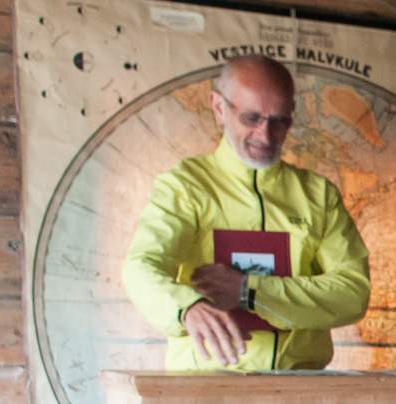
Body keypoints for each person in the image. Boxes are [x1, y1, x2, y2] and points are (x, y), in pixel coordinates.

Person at [121, 56, 370, 371]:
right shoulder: (185, 186)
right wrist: (187, 308)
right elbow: (141, 267)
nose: (265, 136)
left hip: (299, 390)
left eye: (280, 121)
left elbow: (353, 292)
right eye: (252, 118)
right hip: (205, 392)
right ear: (219, 108)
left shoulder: (318, 196)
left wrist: (248, 292)